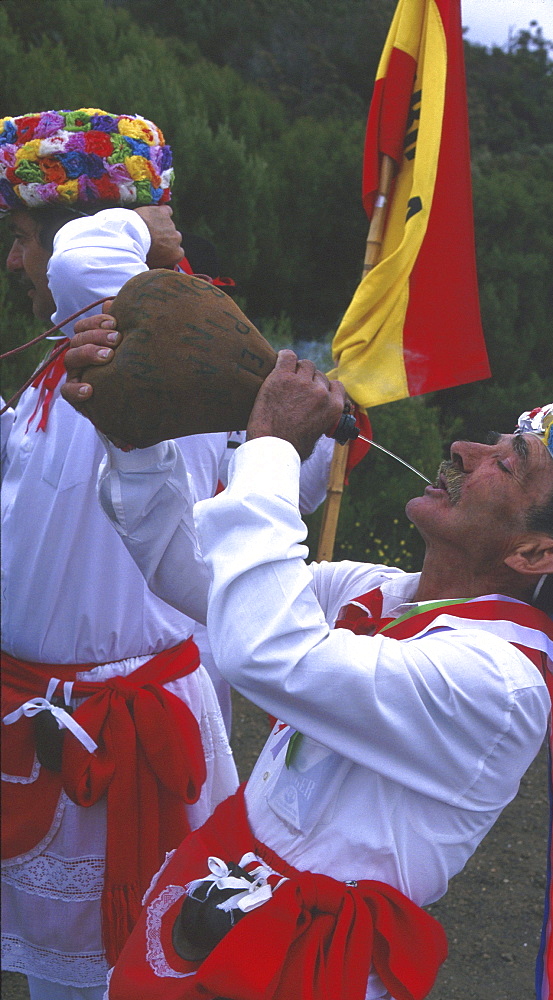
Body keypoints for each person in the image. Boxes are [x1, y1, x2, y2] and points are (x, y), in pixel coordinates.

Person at [61, 315, 553, 998]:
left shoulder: (498, 685)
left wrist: (270, 450)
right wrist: (135, 441)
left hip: (303, 965)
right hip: (223, 894)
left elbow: (263, 652)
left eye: (508, 462)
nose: (464, 448)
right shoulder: (384, 594)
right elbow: (194, 573)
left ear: (534, 554)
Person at [0, 108, 332, 1000]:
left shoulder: (155, 344)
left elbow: (82, 262)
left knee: (114, 976)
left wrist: (133, 228)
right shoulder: (73, 361)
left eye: (22, 236)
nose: (15, 260)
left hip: (131, 732)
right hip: (42, 723)